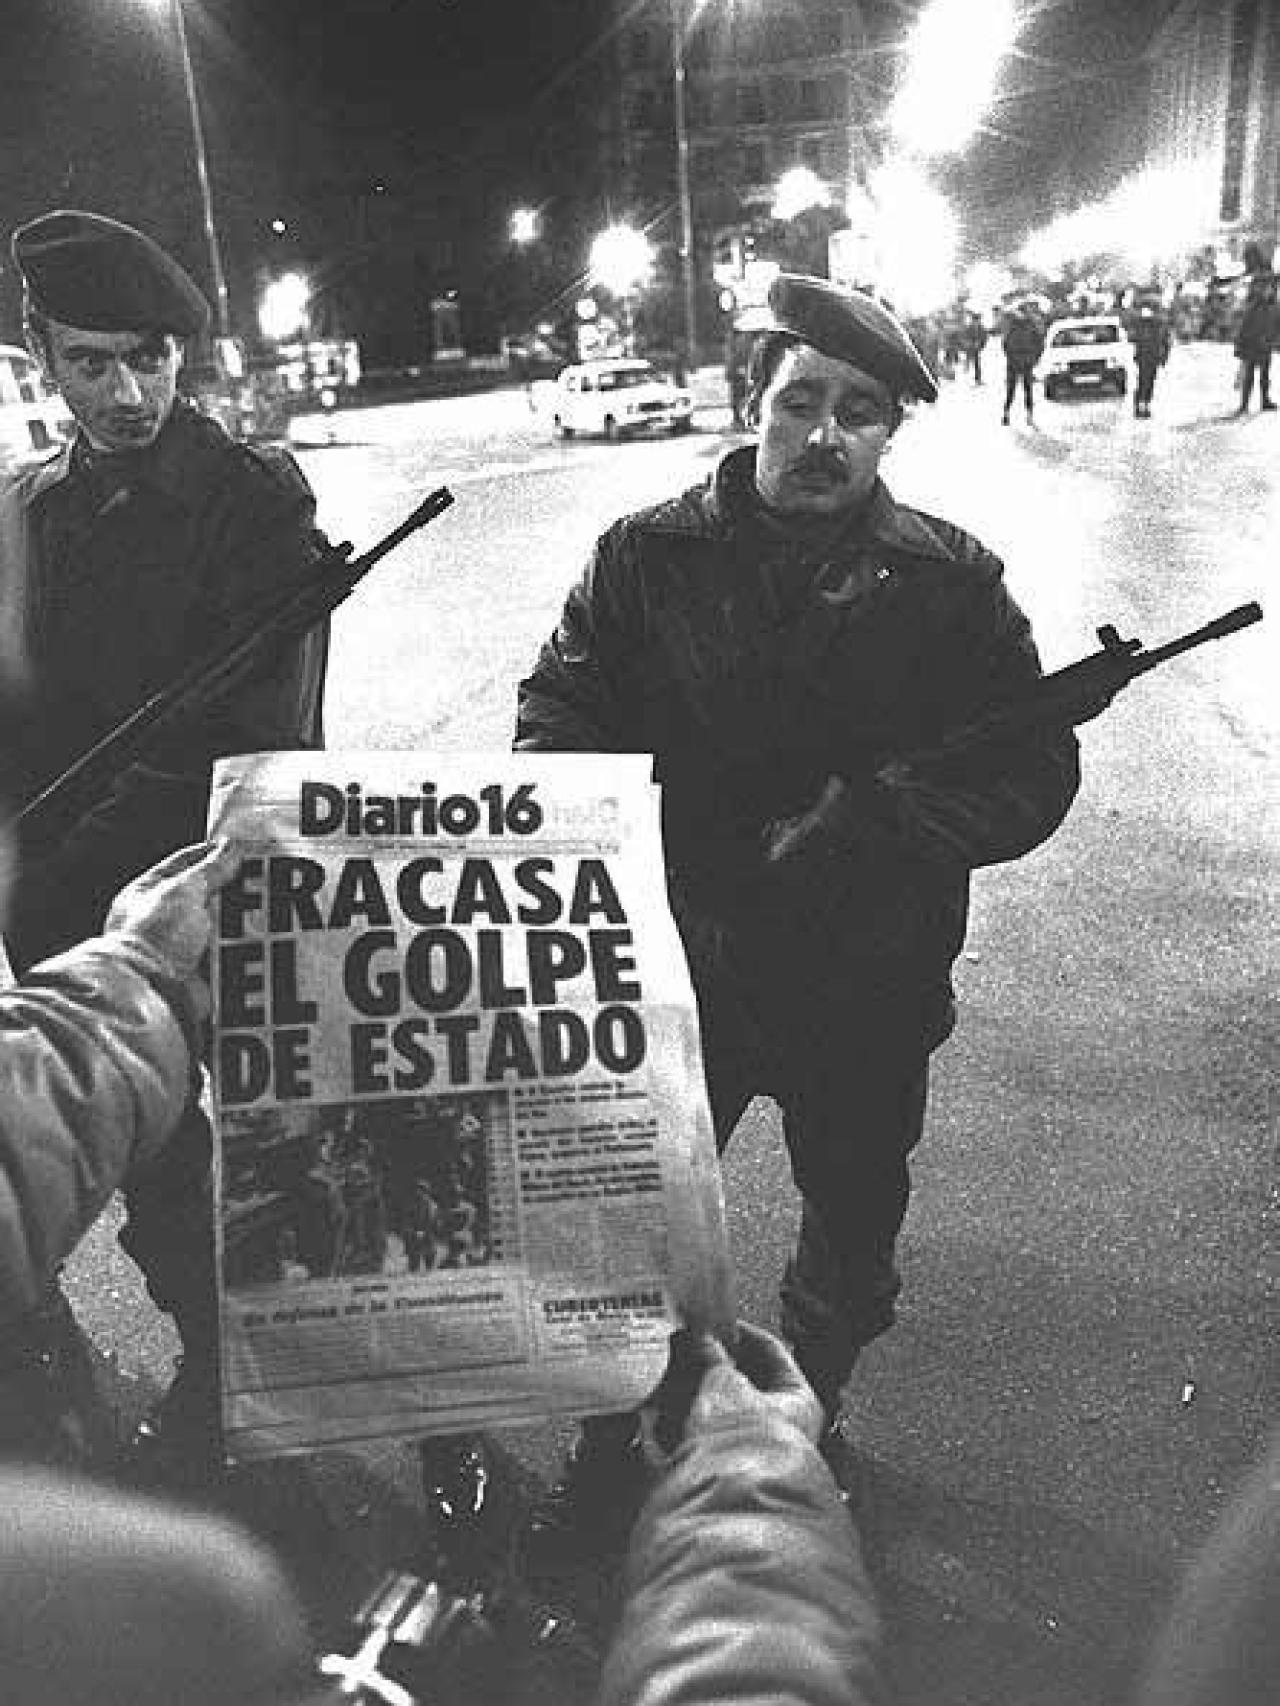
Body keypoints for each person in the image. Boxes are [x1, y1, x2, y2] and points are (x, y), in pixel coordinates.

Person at [516, 271, 1080, 1548]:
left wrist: (878, 823)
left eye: (860, 413)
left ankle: (800, 1427)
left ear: (889, 433)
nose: (824, 435)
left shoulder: (950, 583)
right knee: (631, 1231)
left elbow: (1032, 767)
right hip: (679, 972)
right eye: (801, 401)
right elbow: (557, 710)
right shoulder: (642, 556)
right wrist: (630, 832)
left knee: (850, 1229)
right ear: (752, 402)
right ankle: (613, 1448)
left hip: (863, 982)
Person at [0, 208, 332, 1476]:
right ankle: (213, 1356)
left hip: (213, 896)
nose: (130, 390)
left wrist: (68, 854)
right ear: (41, 355)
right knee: (155, 1160)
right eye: (93, 362)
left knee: (287, 1153)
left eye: (151, 356)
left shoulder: (252, 497)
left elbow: (258, 733)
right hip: (62, 910)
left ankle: (345, 1385)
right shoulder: (26, 512)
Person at [0, 826, 243, 1466]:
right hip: (58, 866)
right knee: (156, 1164)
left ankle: (433, 1399)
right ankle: (215, 1359)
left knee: (326, 1109)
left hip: (217, 827)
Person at [1232, 274, 1280, 413]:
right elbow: (1244, 326)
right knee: (1249, 376)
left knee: (1265, 375)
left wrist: (1274, 341)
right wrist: (1240, 345)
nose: (1267, 291)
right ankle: (1244, 405)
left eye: (1270, 288)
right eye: (1265, 288)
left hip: (1266, 345)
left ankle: (1265, 401)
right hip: (1251, 344)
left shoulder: (1276, 307)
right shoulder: (1254, 305)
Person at [1128, 296, 1172, 419]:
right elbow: (1133, 339)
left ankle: (1145, 405)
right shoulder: (1140, 327)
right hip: (1143, 358)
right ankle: (1140, 406)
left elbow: (1165, 342)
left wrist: (1164, 358)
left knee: (1149, 382)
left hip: (1152, 358)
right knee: (1143, 382)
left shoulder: (1158, 326)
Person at [1001, 303, 1043, 423]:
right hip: (1014, 361)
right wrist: (1010, 357)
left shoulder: (1032, 326)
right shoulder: (1012, 326)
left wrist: (1035, 358)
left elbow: (1039, 344)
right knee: (1011, 390)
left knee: (1027, 389)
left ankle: (1029, 415)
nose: (1022, 315)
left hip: (1025, 361)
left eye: (1024, 312)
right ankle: (1006, 413)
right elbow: (1005, 345)